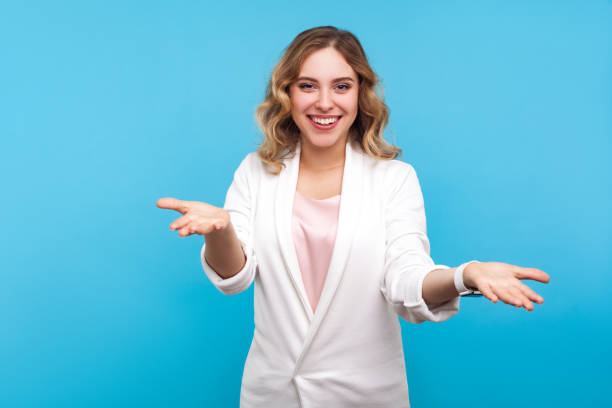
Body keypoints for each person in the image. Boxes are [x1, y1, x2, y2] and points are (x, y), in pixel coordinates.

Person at [156, 26, 550, 408]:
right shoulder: (255, 172)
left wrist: (466, 275)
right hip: (272, 396)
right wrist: (220, 231)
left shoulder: (395, 179)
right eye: (308, 85)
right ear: (287, 94)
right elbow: (235, 279)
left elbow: (405, 279)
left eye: (341, 86)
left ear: (360, 94)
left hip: (366, 396)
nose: (324, 102)